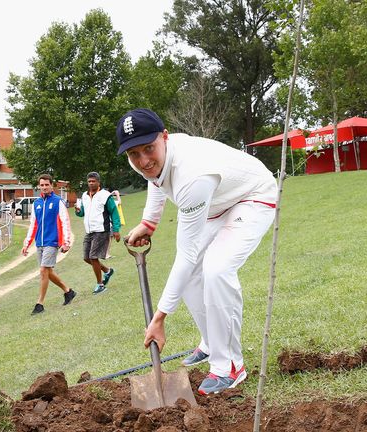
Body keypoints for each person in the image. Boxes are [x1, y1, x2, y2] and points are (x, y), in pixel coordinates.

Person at [118, 108, 277, 395]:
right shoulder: (144, 159)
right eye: (134, 154)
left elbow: (187, 253)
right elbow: (155, 179)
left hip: (252, 196)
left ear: (164, 138)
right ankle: (211, 343)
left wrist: (159, 318)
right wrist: (149, 222)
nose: (142, 160)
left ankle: (229, 367)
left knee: (216, 268)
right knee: (191, 276)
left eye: (148, 149)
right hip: (216, 204)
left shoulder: (192, 176)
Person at [22, 174, 76, 314]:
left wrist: (66, 242)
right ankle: (68, 291)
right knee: (48, 272)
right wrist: (27, 243)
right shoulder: (37, 203)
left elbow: (65, 222)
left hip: (52, 242)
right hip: (39, 243)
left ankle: (39, 304)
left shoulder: (58, 202)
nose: (44, 187)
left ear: (52, 185)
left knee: (43, 271)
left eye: (47, 184)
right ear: (39, 186)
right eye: (42, 185)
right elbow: (33, 224)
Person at [74, 172, 121, 294]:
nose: (91, 183)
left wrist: (116, 230)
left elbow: (114, 212)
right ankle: (107, 271)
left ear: (98, 182)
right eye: (89, 181)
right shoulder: (84, 195)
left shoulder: (105, 196)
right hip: (89, 231)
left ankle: (100, 285)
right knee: (86, 258)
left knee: (93, 257)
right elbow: (82, 213)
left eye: (93, 181)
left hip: (101, 230)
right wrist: (78, 211)